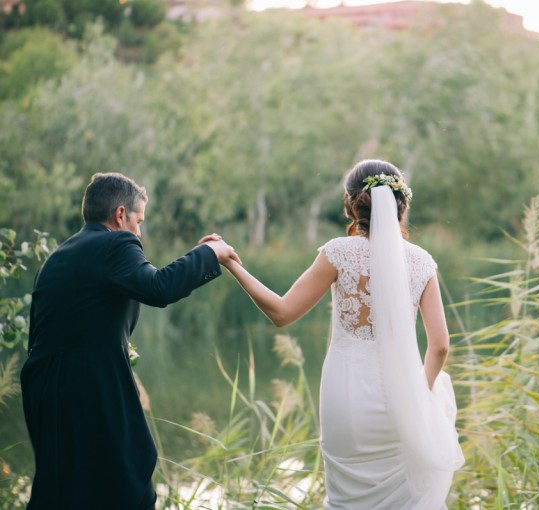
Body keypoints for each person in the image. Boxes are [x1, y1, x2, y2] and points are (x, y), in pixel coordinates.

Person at [223, 159, 464, 509]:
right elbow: (440, 347)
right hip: (402, 400)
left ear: (352, 204)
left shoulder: (338, 253)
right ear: (402, 204)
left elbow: (281, 312)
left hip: (346, 399)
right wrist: (419, 391)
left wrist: (233, 265)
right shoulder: (422, 262)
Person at [20, 172, 240, 510]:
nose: (139, 231)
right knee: (128, 489)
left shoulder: (59, 257)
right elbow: (159, 288)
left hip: (45, 394)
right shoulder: (115, 244)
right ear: (121, 215)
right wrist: (212, 253)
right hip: (90, 392)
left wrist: (195, 257)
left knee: (63, 493)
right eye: (139, 221)